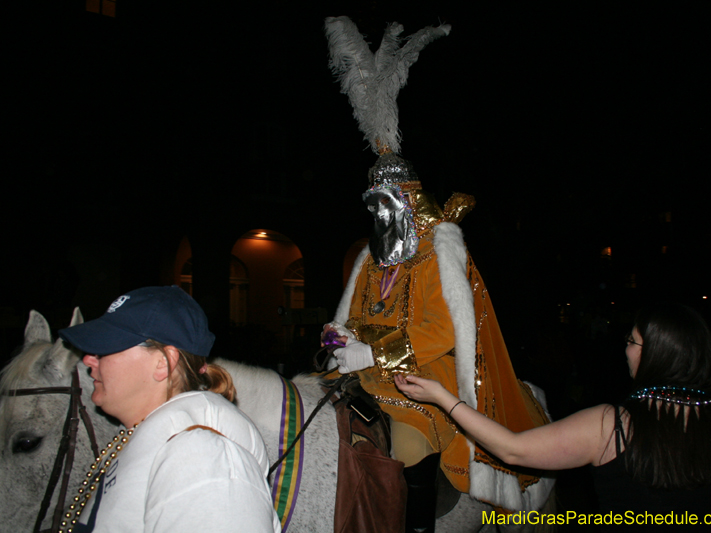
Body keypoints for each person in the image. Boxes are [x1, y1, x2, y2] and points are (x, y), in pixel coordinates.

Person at [322, 16, 552, 530]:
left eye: (384, 205)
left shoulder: (434, 253)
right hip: (362, 374)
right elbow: (358, 317)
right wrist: (341, 337)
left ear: (405, 203)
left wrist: (374, 350)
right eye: (371, 206)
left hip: (423, 377)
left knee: (405, 445)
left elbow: (440, 330)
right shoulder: (370, 259)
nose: (376, 216)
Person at [396, 302, 711, 532]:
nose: (625, 350)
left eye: (632, 341)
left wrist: (442, 397)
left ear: (655, 354)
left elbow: (513, 450)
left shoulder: (614, 426)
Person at [58, 286, 281, 533]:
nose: (88, 359)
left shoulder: (204, 460)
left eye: (106, 346)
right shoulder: (146, 440)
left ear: (163, 363)